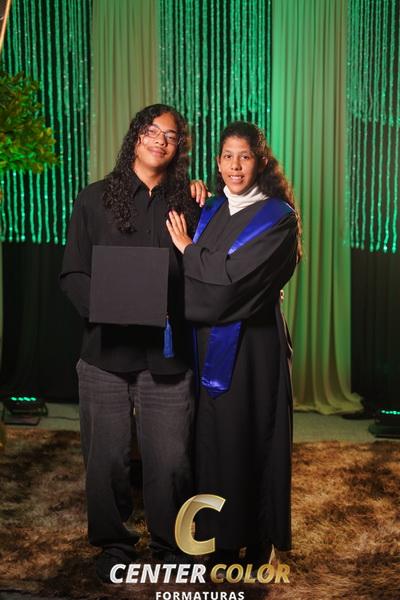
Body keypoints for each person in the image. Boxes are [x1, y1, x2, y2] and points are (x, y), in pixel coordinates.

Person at [60, 104, 207, 582]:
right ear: (135, 136)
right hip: (104, 354)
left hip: (167, 355)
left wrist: (210, 202)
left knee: (171, 460)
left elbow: (206, 269)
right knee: (105, 459)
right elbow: (73, 274)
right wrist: (109, 308)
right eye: (151, 131)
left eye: (171, 136)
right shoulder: (93, 198)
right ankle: (114, 545)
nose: (160, 140)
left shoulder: (190, 203)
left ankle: (171, 545)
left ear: (178, 148)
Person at [167, 121, 301, 568]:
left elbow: (233, 284)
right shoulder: (211, 210)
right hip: (209, 348)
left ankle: (257, 541)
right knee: (213, 442)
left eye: (244, 156)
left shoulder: (277, 217)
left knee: (250, 439)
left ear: (260, 162)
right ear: (218, 161)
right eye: (227, 156)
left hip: (253, 352)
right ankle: (218, 538)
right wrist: (191, 197)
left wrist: (188, 250)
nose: (235, 166)